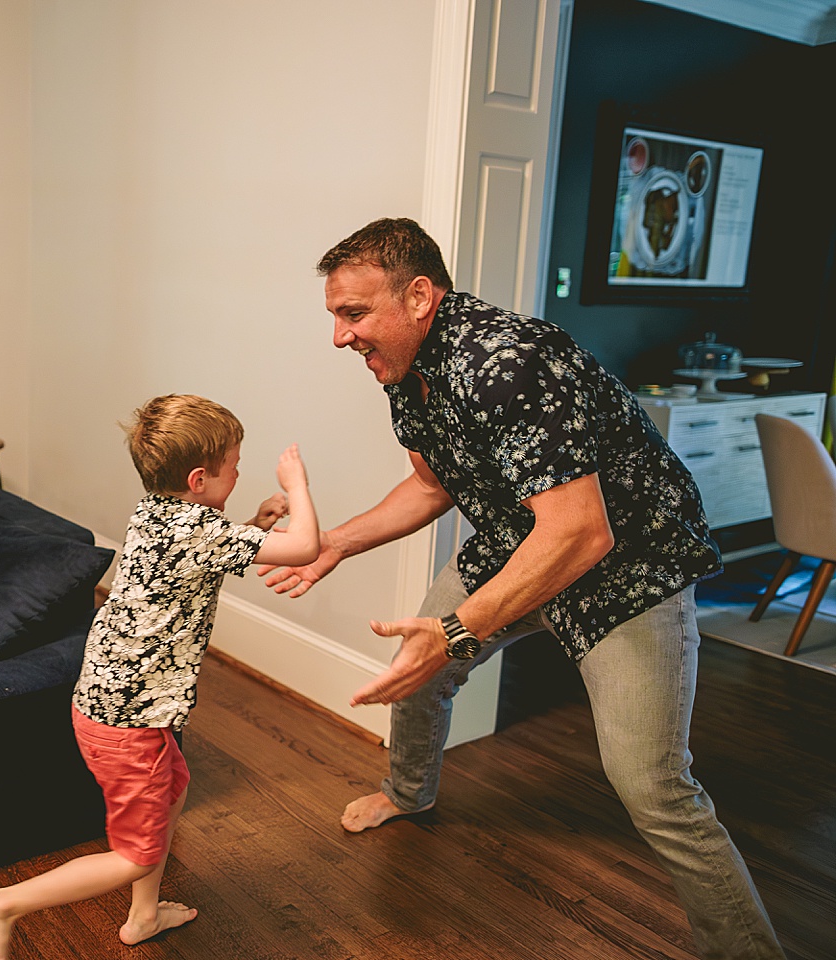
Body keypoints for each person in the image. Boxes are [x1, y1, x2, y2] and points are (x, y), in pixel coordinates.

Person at [258, 218, 785, 960]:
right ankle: (409, 792)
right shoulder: (404, 368)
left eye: (353, 314)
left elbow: (581, 534)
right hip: (521, 542)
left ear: (417, 296)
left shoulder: (509, 363)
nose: (341, 337)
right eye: (335, 316)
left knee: (651, 784)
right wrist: (337, 542)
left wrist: (453, 631)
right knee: (419, 674)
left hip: (627, 569)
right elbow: (430, 484)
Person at [0, 394, 319, 960]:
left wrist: (256, 522)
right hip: (129, 721)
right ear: (201, 478)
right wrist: (297, 486)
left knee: (174, 790)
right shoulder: (196, 531)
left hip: (118, 705)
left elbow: (209, 553)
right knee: (133, 852)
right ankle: (2, 904)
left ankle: (144, 915)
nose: (240, 470)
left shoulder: (157, 512)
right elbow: (305, 547)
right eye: (235, 464)